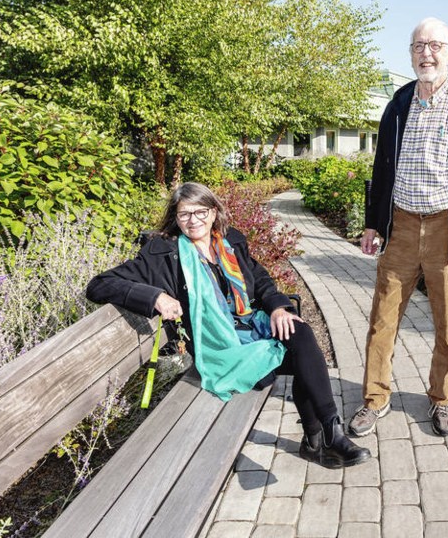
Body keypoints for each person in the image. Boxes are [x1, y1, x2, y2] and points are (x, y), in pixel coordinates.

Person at [87, 182, 370, 469]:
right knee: (303, 358)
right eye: (185, 214)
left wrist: (278, 308)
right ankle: (319, 441)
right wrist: (155, 296)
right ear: (175, 217)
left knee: (298, 331)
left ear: (213, 213)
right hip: (219, 347)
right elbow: (98, 285)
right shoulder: (162, 255)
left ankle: (328, 435)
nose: (193, 220)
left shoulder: (229, 242)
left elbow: (259, 279)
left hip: (251, 326)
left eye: (200, 212)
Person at [350, 17, 448, 438]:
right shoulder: (398, 104)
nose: (427, 53)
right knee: (382, 319)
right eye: (419, 46)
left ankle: (441, 399)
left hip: (447, 232)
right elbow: (382, 170)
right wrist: (373, 224)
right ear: (411, 52)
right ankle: (375, 399)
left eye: (435, 46)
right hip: (400, 227)